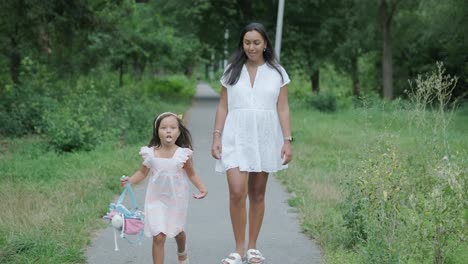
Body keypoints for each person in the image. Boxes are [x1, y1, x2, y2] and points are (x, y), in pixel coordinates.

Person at [211, 22, 293, 264]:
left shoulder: (277, 72)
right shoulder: (231, 71)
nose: (252, 47)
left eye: (256, 42)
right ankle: (238, 248)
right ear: (242, 44)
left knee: (257, 193)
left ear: (265, 43)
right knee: (237, 191)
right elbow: (223, 105)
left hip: (265, 137)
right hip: (235, 136)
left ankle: (253, 248)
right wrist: (216, 136)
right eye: (247, 42)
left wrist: (287, 140)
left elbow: (283, 107)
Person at [121, 112, 208, 264]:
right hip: (156, 200)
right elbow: (142, 172)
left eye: (173, 127)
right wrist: (130, 180)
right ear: (157, 132)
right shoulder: (150, 153)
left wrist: (202, 188)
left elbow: (191, 173)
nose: (168, 131)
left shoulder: (182, 154)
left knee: (177, 232)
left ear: (179, 131)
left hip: (176, 200)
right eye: (164, 128)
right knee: (158, 236)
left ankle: (182, 251)